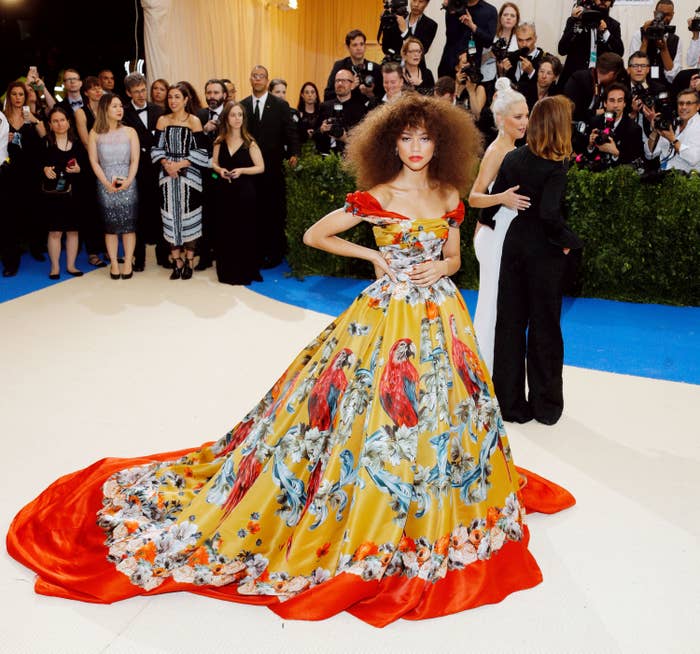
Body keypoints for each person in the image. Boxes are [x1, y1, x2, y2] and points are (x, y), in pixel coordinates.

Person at [6, 93, 575, 624]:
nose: (417, 148)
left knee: (447, 413)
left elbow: (453, 259)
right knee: (368, 417)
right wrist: (372, 258)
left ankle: (437, 495)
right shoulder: (376, 196)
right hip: (386, 318)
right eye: (406, 139)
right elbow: (314, 234)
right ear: (391, 144)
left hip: (442, 318)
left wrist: (442, 269)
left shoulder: (451, 194)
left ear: (441, 142)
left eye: (425, 138)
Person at [484, 96, 582, 425]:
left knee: (510, 325)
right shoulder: (556, 167)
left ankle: (510, 406)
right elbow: (550, 215)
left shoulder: (512, 158)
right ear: (558, 127)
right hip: (544, 254)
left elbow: (488, 207)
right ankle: (546, 407)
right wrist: (572, 243)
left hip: (514, 248)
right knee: (545, 329)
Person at [468, 78, 531, 373]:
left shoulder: (514, 147)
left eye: (527, 115)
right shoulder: (497, 151)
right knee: (491, 304)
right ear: (501, 119)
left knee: (502, 303)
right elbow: (473, 197)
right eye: (518, 117)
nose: (525, 122)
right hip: (493, 238)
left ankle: (495, 369)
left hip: (503, 236)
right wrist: (502, 197)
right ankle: (483, 371)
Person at [241, 65, 300, 268]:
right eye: (254, 76)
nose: (258, 79)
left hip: (273, 169)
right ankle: (254, 252)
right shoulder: (242, 106)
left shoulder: (280, 105)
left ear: (267, 81)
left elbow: (290, 131)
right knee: (252, 211)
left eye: (261, 76)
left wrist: (294, 153)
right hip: (249, 170)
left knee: (273, 211)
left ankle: (274, 253)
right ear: (250, 79)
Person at [151, 83, 208, 279]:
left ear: (186, 99)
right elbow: (156, 149)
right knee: (170, 218)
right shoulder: (162, 120)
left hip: (190, 178)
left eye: (177, 97)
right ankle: (177, 261)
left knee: (189, 218)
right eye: (170, 97)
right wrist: (167, 164)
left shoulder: (194, 121)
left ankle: (190, 261)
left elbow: (202, 152)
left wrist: (181, 164)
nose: (173, 101)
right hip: (167, 178)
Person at [211, 101, 264, 285]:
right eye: (233, 115)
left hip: (245, 194)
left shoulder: (250, 142)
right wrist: (220, 171)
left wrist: (242, 170)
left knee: (244, 231)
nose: (237, 118)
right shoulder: (219, 141)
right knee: (225, 231)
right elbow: (214, 163)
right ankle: (226, 271)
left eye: (240, 115)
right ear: (226, 118)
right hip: (224, 192)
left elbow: (261, 167)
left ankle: (244, 271)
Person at [87, 93, 140, 280]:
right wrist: (105, 183)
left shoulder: (130, 132)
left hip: (128, 183)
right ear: (105, 110)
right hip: (105, 183)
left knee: (128, 226)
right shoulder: (94, 133)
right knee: (109, 227)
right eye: (114, 106)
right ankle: (114, 265)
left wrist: (128, 181)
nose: (119, 109)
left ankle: (127, 262)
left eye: (120, 106)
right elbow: (94, 162)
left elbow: (134, 160)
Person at [122, 72, 167, 271]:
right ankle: (138, 258)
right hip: (135, 170)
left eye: (142, 90)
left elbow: (161, 140)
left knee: (160, 212)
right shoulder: (123, 113)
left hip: (158, 168)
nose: (141, 95)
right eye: (136, 92)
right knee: (137, 214)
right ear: (128, 93)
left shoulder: (158, 110)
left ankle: (163, 256)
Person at [2, 81, 47, 276]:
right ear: (9, 96)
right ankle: (11, 260)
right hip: (9, 172)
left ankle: (36, 248)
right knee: (9, 215)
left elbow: (45, 136)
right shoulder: (2, 119)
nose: (18, 97)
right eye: (14, 94)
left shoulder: (31, 116)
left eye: (21, 94)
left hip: (32, 171)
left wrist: (35, 120)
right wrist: (6, 138)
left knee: (34, 210)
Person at [41, 106, 86, 279]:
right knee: (55, 232)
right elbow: (35, 165)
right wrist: (44, 169)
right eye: (55, 121)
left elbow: (86, 168)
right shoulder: (45, 142)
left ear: (68, 122)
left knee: (73, 231)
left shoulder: (78, 145)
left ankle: (71, 265)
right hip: (53, 196)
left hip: (74, 195)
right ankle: (55, 267)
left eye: (62, 120)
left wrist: (79, 169)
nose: (59, 124)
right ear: (50, 124)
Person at [74, 76, 108, 269]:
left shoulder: (105, 111)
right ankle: (93, 252)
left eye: (99, 88)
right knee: (91, 210)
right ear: (86, 92)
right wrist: (99, 161)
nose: (98, 91)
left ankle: (106, 249)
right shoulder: (81, 112)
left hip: (107, 163)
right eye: (93, 89)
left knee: (106, 208)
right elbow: (86, 141)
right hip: (89, 165)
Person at [196, 79, 229, 271]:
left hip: (225, 173)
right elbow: (192, 141)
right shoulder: (199, 114)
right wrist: (203, 130)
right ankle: (205, 256)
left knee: (224, 214)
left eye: (216, 93)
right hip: (203, 173)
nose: (212, 97)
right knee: (206, 214)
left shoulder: (231, 113)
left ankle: (223, 253)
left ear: (224, 95)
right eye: (209, 93)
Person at [557, 0, 624, 87]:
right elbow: (562, 50)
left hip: (602, 79)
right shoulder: (575, 21)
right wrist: (574, 21)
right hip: (574, 79)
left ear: (611, 2)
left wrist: (605, 32)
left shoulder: (613, 25)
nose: (603, 1)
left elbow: (619, 53)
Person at [583, 82, 643, 166]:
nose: (616, 105)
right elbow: (585, 155)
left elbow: (633, 161)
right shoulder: (593, 123)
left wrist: (615, 153)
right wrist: (590, 146)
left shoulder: (634, 129)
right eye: (612, 100)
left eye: (620, 101)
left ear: (624, 104)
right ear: (605, 103)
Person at [315, 69, 372, 156]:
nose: (340, 84)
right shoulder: (324, 106)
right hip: (325, 158)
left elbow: (363, 139)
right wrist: (322, 129)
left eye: (344, 81)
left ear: (352, 85)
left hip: (350, 158)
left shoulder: (361, 109)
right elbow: (314, 135)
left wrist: (344, 136)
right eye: (337, 81)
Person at [438, 0, 497, 78]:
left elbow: (488, 42)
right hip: (449, 64)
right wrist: (450, 9)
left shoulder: (490, 11)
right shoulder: (455, 4)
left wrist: (473, 26)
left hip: (471, 67)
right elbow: (450, 36)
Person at [644, 88, 700, 172]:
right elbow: (650, 154)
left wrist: (673, 140)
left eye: (689, 103)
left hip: (688, 180)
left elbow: (693, 158)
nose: (684, 107)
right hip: (664, 176)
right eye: (681, 103)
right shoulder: (671, 123)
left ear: (698, 106)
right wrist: (654, 131)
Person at [563, 51, 626, 123]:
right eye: (616, 76)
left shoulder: (608, 86)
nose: (616, 79)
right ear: (611, 74)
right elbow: (571, 111)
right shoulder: (579, 79)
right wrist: (600, 111)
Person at [629, 0, 681, 85]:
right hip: (643, 85)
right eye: (661, 14)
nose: (664, 18)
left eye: (667, 15)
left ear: (672, 15)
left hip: (666, 87)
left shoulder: (676, 40)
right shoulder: (638, 35)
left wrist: (664, 49)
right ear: (654, 13)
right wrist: (646, 38)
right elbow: (634, 65)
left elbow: (673, 75)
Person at [324, 29, 383, 103]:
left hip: (369, 112)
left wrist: (370, 93)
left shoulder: (375, 68)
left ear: (365, 46)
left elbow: (383, 98)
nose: (359, 48)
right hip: (346, 111)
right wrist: (348, 88)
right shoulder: (340, 66)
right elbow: (327, 95)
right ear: (348, 47)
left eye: (361, 44)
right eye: (355, 45)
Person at [480, 2, 520, 99]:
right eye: (505, 15)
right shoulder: (490, 36)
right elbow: (477, 61)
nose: (508, 18)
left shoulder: (519, 40)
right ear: (500, 17)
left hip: (510, 84)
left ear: (517, 20)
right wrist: (489, 54)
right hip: (488, 81)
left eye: (512, 15)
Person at [501, 22, 545, 100]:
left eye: (528, 40)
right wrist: (502, 72)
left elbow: (548, 88)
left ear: (535, 38)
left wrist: (532, 72)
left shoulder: (545, 59)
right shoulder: (510, 57)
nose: (524, 44)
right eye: (520, 40)